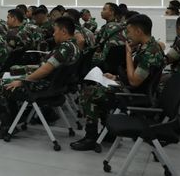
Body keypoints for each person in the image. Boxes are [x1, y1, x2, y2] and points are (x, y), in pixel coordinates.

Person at [70, 14, 165, 151]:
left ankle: (91, 137)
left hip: (135, 94)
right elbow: (136, 77)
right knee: (97, 87)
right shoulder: (148, 47)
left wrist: (128, 54)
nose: (128, 35)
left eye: (129, 31)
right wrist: (116, 78)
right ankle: (108, 132)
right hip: (131, 88)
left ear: (138, 31)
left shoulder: (150, 52)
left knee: (89, 93)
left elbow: (134, 81)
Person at [0, 16, 81, 139]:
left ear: (63, 31)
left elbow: (45, 70)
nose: (53, 34)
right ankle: (15, 116)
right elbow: (48, 66)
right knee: (12, 71)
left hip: (43, 85)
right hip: (55, 85)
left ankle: (7, 125)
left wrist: (22, 81)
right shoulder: (74, 46)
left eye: (55, 31)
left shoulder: (64, 48)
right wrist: (27, 69)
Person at [91, 2, 127, 69]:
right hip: (120, 64)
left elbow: (97, 47)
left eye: (104, 9)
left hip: (105, 63)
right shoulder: (123, 26)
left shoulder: (108, 27)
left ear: (112, 12)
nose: (101, 12)